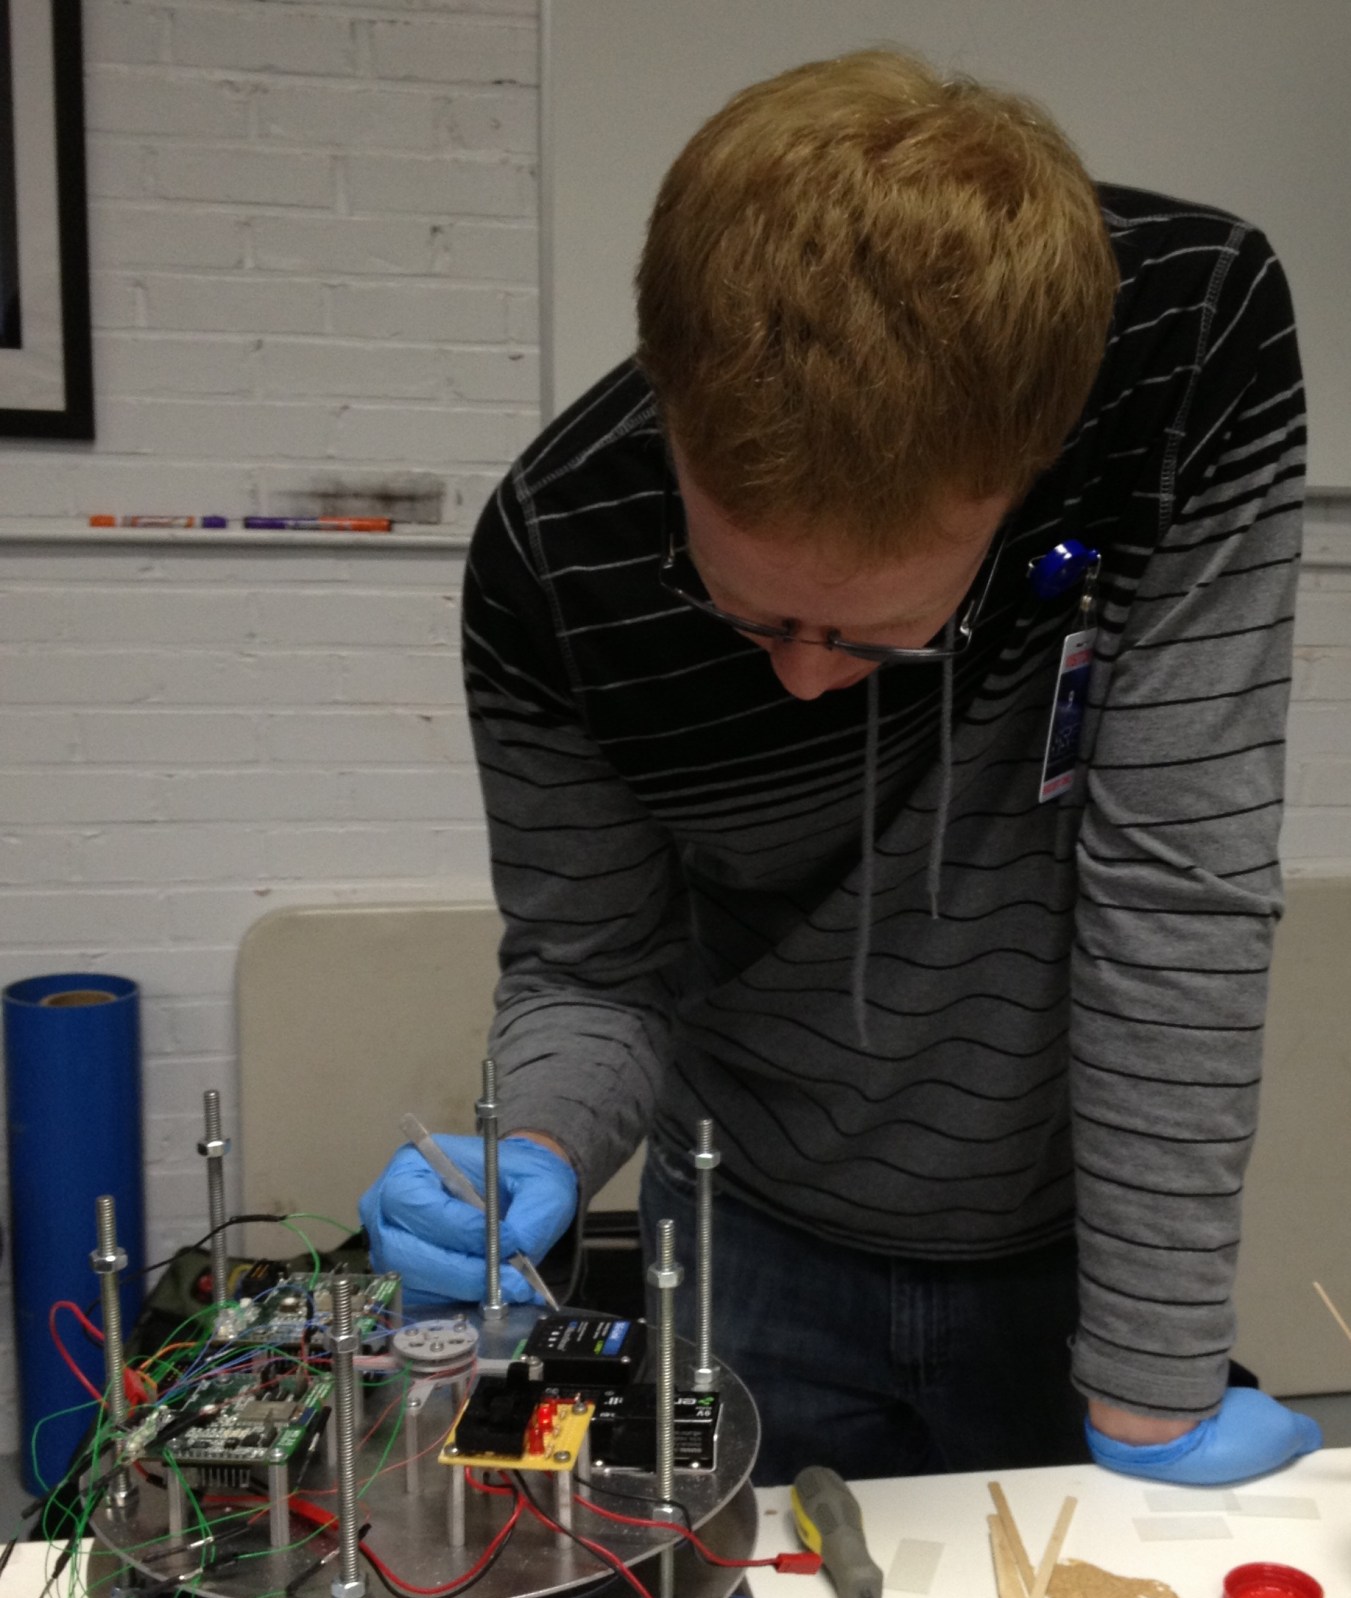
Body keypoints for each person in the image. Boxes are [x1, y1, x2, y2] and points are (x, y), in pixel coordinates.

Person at [362, 49, 1320, 1488]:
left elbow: (1176, 890)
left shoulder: (1190, 346)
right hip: (742, 1230)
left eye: (872, 636)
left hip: (1070, 1251)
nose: (805, 674)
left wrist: (1154, 1382)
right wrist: (539, 1144)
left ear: (1024, 468)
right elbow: (595, 966)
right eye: (750, 616)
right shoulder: (557, 555)